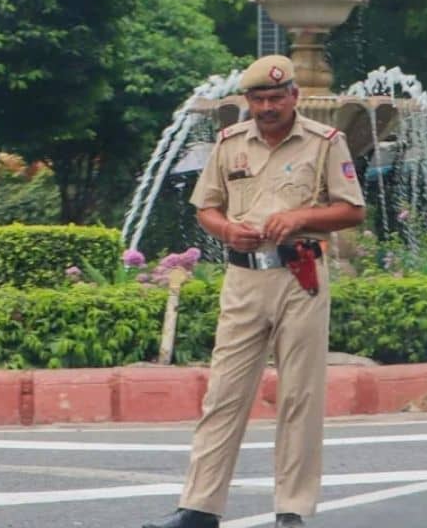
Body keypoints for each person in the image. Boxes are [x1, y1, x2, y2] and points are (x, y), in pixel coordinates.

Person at [142, 55, 366, 528]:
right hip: (243, 279)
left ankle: (293, 509)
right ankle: (199, 507)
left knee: (299, 397)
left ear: (294, 97)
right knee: (224, 393)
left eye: (275, 98)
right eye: (258, 99)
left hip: (299, 276)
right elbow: (207, 207)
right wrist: (224, 230)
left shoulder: (326, 142)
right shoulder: (228, 143)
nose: (267, 107)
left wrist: (302, 218)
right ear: (248, 100)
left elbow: (351, 210)